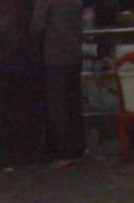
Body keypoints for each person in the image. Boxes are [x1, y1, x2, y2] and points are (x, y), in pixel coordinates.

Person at [30, 0, 86, 170]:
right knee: (73, 103)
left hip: (55, 55)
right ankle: (78, 148)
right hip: (74, 52)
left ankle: (64, 153)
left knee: (57, 105)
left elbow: (37, 26)